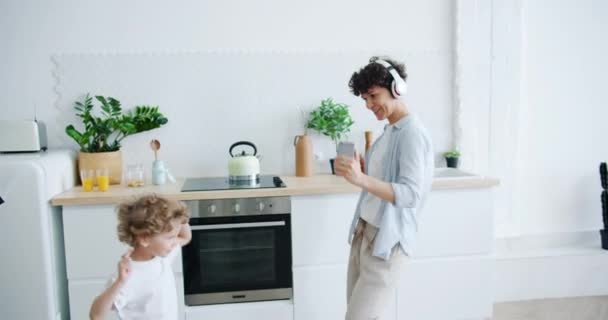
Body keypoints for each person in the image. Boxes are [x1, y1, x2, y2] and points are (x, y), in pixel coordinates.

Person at [335, 56, 434, 320]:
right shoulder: (390, 130)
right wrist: (363, 170)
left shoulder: (412, 132)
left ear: (396, 88)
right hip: (364, 235)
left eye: (372, 96)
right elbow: (384, 181)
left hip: (386, 243)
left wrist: (361, 179)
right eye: (364, 99)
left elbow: (410, 194)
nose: (368, 105)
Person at [89, 194, 192, 320]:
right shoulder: (128, 275)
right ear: (145, 238)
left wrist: (179, 214)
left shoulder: (162, 256)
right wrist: (119, 282)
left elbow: (185, 237)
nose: (175, 241)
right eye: (170, 237)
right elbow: (96, 315)